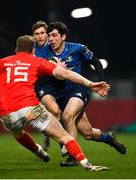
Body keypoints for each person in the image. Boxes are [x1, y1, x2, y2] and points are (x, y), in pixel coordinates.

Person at [0, 35, 110, 171]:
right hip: (31, 108)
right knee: (64, 136)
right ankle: (86, 164)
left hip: (7, 113)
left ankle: (38, 151)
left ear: (16, 50)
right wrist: (89, 83)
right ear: (33, 51)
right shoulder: (37, 61)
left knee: (18, 133)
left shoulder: (1, 63)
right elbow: (65, 74)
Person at [35, 21, 126, 167]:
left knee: (67, 116)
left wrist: (102, 81)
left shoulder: (77, 49)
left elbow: (95, 62)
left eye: (54, 35)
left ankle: (72, 157)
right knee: (88, 133)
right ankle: (109, 138)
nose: (51, 39)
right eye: (49, 36)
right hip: (57, 93)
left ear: (63, 36)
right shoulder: (42, 51)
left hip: (76, 90)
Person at [32, 20, 50, 151]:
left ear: (47, 34)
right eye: (37, 33)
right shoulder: (31, 51)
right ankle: (46, 136)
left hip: (58, 84)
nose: (40, 36)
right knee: (46, 112)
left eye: (42, 33)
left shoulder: (55, 46)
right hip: (40, 85)